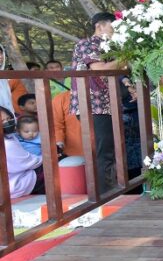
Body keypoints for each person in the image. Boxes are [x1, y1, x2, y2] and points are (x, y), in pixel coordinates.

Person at [69, 12, 123, 194]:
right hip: (93, 104)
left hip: (107, 105)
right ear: (100, 25)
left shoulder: (108, 46)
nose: (116, 30)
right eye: (113, 26)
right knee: (103, 152)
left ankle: (111, 190)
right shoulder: (86, 44)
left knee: (109, 149)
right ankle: (104, 194)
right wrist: (126, 58)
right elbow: (99, 68)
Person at [1, 106, 44, 198]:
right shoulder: (6, 144)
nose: (7, 123)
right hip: (15, 185)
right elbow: (31, 162)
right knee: (51, 171)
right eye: (2, 121)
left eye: (9, 119)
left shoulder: (9, 136)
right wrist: (47, 158)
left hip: (11, 182)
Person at [52, 90, 83, 157]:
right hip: (73, 153)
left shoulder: (103, 95)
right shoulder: (61, 99)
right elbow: (56, 125)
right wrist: (59, 141)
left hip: (104, 151)